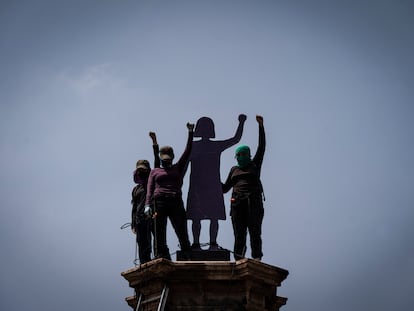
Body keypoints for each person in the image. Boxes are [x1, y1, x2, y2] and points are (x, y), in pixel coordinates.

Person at [186, 114, 246, 250]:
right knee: (206, 217)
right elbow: (236, 139)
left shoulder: (195, 146)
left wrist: (241, 123)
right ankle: (204, 244)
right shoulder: (203, 146)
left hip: (204, 186)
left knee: (206, 217)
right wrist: (241, 122)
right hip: (207, 186)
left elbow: (236, 139)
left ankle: (203, 244)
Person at [144, 122, 194, 260]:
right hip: (158, 202)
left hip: (175, 201)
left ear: (172, 157)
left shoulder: (178, 167)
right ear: (160, 158)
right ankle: (160, 257)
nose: (166, 161)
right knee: (159, 232)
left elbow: (188, 151)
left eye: (168, 158)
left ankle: (187, 255)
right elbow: (149, 189)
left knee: (181, 230)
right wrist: (147, 205)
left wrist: (190, 132)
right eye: (164, 159)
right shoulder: (155, 171)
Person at [222, 115, 266, 261]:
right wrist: (212, 179)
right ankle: (239, 259)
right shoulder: (234, 169)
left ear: (249, 155)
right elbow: (224, 188)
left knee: (255, 232)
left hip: (253, 202)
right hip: (237, 204)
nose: (241, 157)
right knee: (239, 234)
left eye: (243, 154)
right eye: (238, 155)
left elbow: (262, 147)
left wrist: (261, 126)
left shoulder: (254, 165)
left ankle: (257, 258)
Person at [130, 132, 160, 264]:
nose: (141, 172)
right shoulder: (136, 189)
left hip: (152, 216)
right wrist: (133, 224)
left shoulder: (152, 182)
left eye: (144, 170)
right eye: (139, 170)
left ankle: (158, 260)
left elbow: (157, 163)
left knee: (157, 242)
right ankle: (144, 264)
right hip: (139, 220)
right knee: (143, 245)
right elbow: (134, 207)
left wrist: (154, 143)